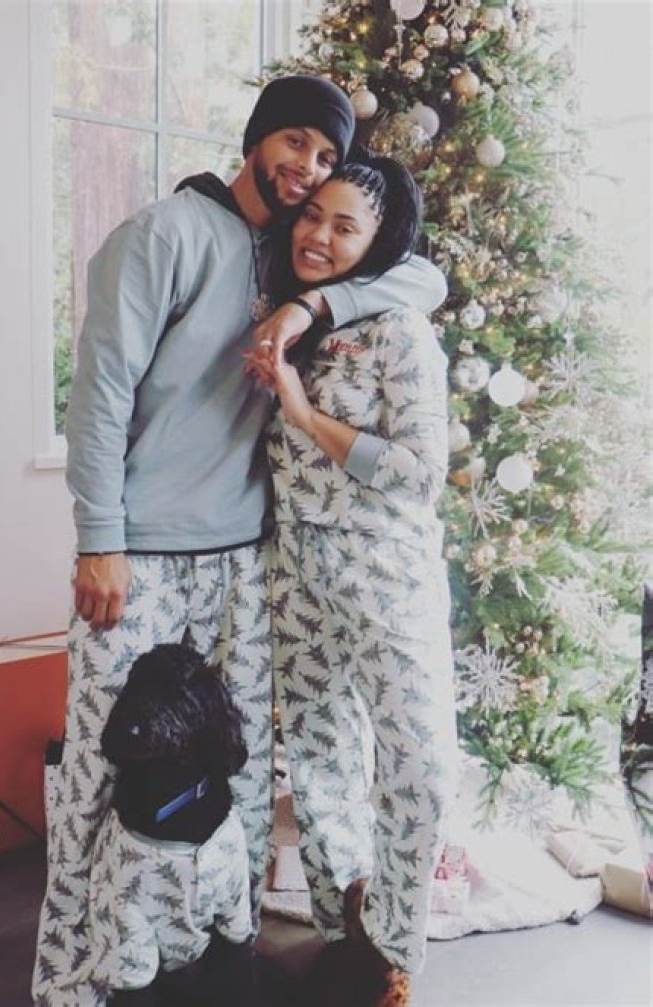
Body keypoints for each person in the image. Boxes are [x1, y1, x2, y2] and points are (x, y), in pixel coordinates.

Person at [33, 74, 448, 1006]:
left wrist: (308, 308)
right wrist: (99, 537)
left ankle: (227, 947)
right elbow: (98, 394)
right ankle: (67, 977)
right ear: (257, 139)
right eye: (295, 141)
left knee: (244, 768)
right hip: (141, 553)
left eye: (327, 155)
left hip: (248, 558)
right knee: (100, 764)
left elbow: (425, 273)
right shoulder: (164, 234)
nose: (308, 167)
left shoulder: (297, 255)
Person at [250, 156, 459, 1006]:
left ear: (379, 243)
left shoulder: (400, 329)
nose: (319, 235)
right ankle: (350, 935)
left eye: (345, 227)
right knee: (321, 760)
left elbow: (419, 472)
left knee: (419, 763)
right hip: (296, 574)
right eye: (314, 216)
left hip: (387, 575)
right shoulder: (280, 315)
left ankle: (398, 941)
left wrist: (304, 415)